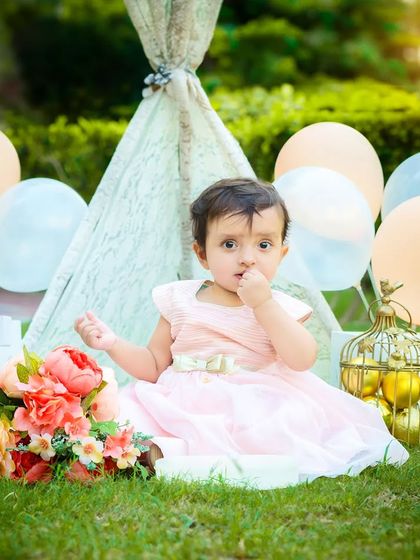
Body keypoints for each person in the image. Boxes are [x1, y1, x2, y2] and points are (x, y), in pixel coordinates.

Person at [74, 177, 409, 482]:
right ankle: (163, 451)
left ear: (282, 253)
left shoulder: (278, 306)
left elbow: (302, 359)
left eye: (264, 245)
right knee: (131, 415)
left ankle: (182, 458)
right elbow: (152, 365)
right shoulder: (180, 299)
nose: (248, 258)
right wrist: (113, 343)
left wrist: (263, 305)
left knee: (274, 428)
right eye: (230, 245)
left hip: (253, 401)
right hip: (181, 399)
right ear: (202, 254)